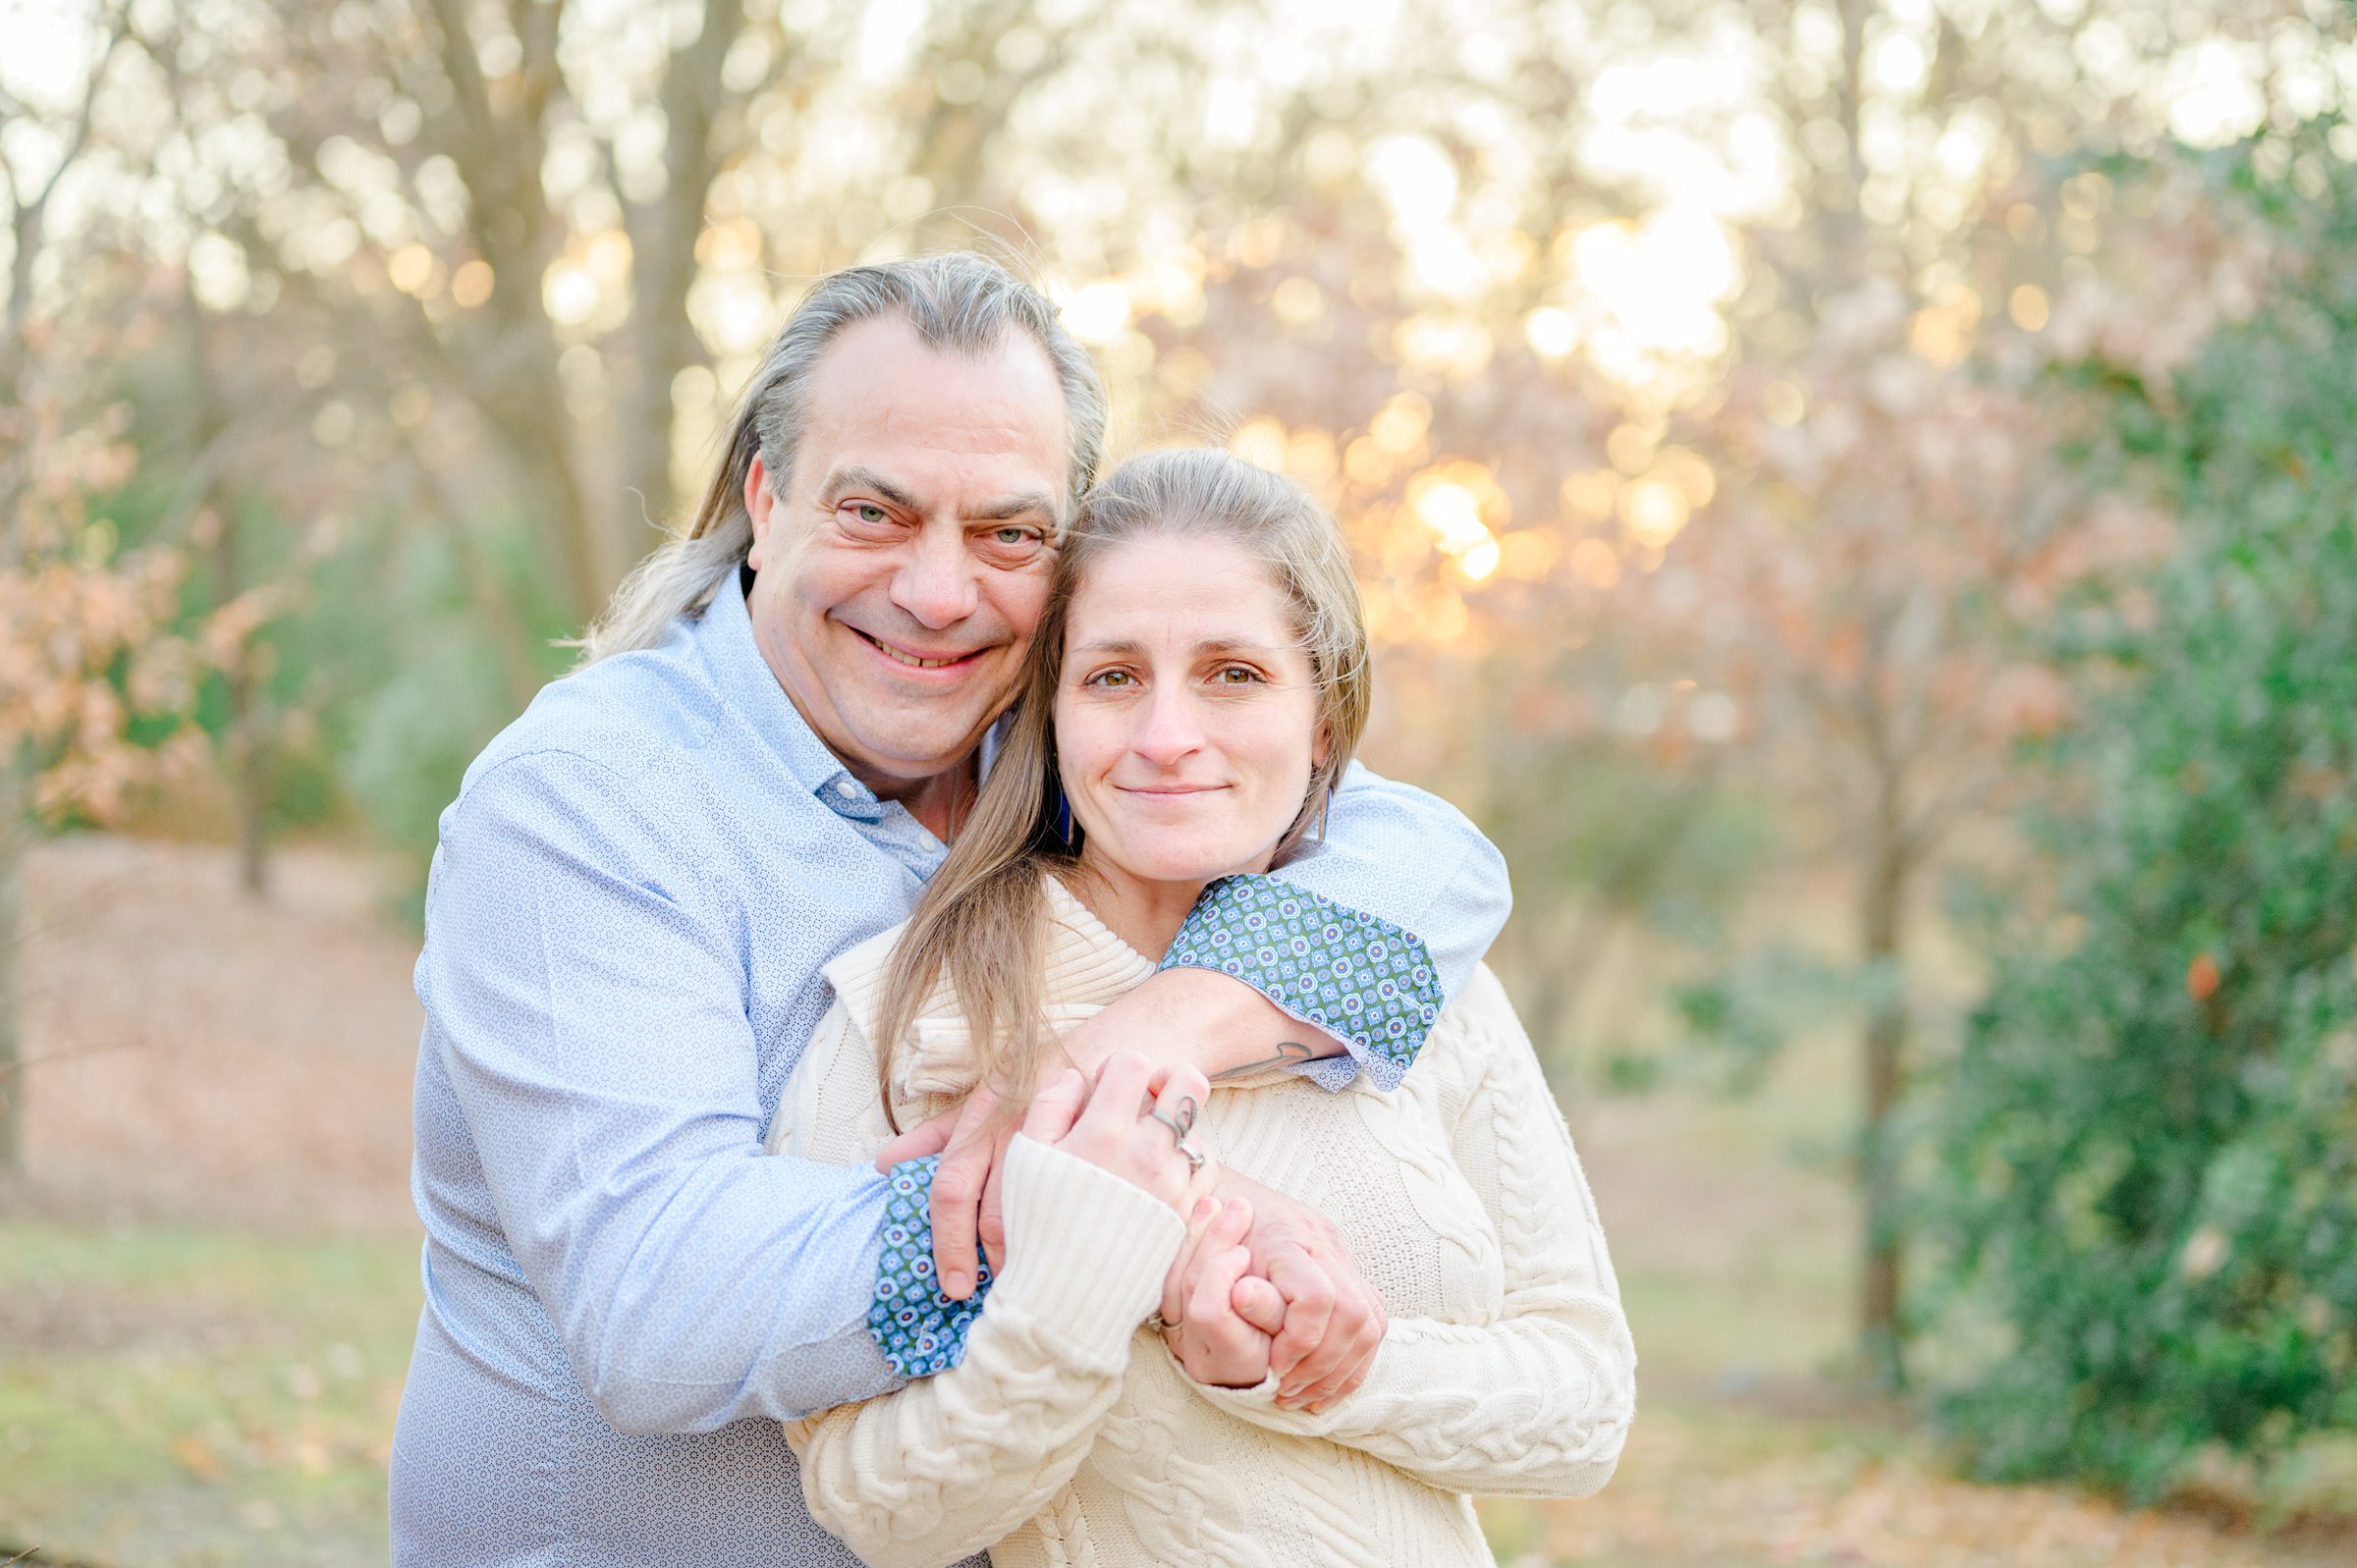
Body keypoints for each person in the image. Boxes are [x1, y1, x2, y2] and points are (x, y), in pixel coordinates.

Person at [389, 252, 1514, 1566]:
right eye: (875, 511)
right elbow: (661, 1299)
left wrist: (1137, 1045)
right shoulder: (587, 800)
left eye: (1008, 534)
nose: (937, 593)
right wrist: (1116, 1210)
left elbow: (1426, 855)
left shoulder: (1059, 757)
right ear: (766, 495)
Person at [772, 448, 1636, 1568]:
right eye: (1115, 677)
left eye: (1233, 673)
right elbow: (881, 1513)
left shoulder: (1414, 977)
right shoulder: (906, 1016)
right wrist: (1091, 1276)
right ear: (1052, 713)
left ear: (1323, 722)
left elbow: (1584, 1406)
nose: (1168, 736)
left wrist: (1317, 1365)